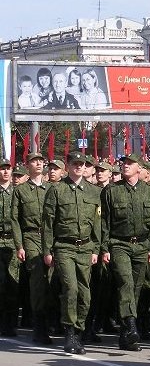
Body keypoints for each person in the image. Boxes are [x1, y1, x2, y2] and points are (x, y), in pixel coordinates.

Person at [42, 151, 102, 354]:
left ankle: (79, 331)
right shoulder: (57, 190)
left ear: (86, 167)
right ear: (67, 166)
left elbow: (97, 222)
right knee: (71, 288)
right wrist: (47, 249)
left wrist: (96, 248)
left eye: (82, 164)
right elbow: (48, 223)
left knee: (85, 294)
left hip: (85, 247)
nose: (79, 167)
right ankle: (69, 332)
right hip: (64, 247)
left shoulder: (93, 192)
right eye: (75, 163)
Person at [100, 153, 150, 351]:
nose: (125, 166)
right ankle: (131, 325)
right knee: (125, 283)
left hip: (141, 245)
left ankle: (125, 334)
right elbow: (104, 223)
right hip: (119, 244)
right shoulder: (111, 191)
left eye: (130, 163)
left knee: (136, 288)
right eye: (124, 163)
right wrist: (105, 247)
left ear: (139, 168)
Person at [11, 153, 52, 344]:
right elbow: (15, 220)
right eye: (34, 161)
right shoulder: (21, 191)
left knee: (53, 281)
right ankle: (39, 326)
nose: (38, 163)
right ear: (27, 165)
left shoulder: (52, 188)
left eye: (41, 161)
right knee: (37, 281)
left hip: (51, 238)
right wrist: (19, 245)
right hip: (31, 237)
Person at [0, 158, 17, 337]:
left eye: (7, 169)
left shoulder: (16, 193)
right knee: (1, 282)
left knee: (13, 283)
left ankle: (10, 323)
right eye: (2, 169)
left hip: (12, 241)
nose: (5, 172)